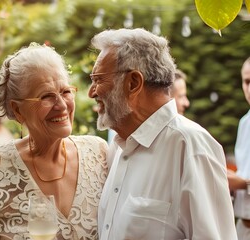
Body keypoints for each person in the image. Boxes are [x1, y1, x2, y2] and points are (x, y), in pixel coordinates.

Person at [89, 28, 237, 239]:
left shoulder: (191, 146)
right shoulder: (118, 148)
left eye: (98, 79)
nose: (92, 91)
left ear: (133, 83)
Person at [0, 43, 109, 239]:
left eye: (66, 91)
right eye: (46, 96)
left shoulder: (99, 153)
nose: (61, 105)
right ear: (17, 110)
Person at [227, 56, 250, 240]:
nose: (249, 88)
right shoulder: (244, 122)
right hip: (242, 225)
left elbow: (244, 179)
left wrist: (243, 183)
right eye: (247, 81)